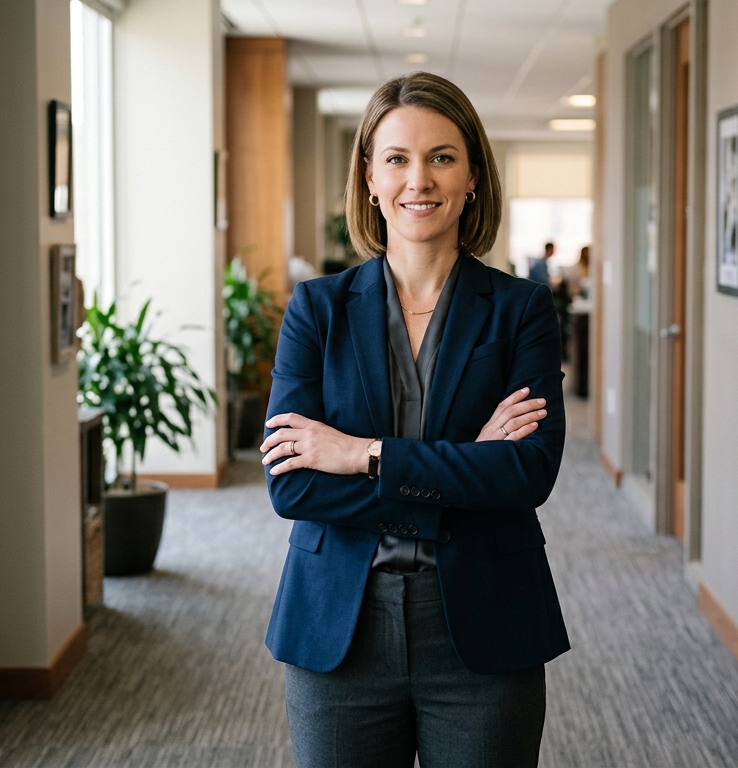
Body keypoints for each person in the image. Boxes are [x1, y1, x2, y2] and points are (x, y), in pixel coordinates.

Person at [258, 71, 570, 768]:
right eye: (396, 158)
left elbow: (526, 472)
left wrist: (360, 453)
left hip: (484, 624)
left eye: (442, 157)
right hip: (339, 623)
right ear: (369, 178)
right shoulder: (317, 310)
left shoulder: (521, 311)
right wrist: (464, 469)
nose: (418, 180)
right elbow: (293, 486)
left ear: (473, 178)